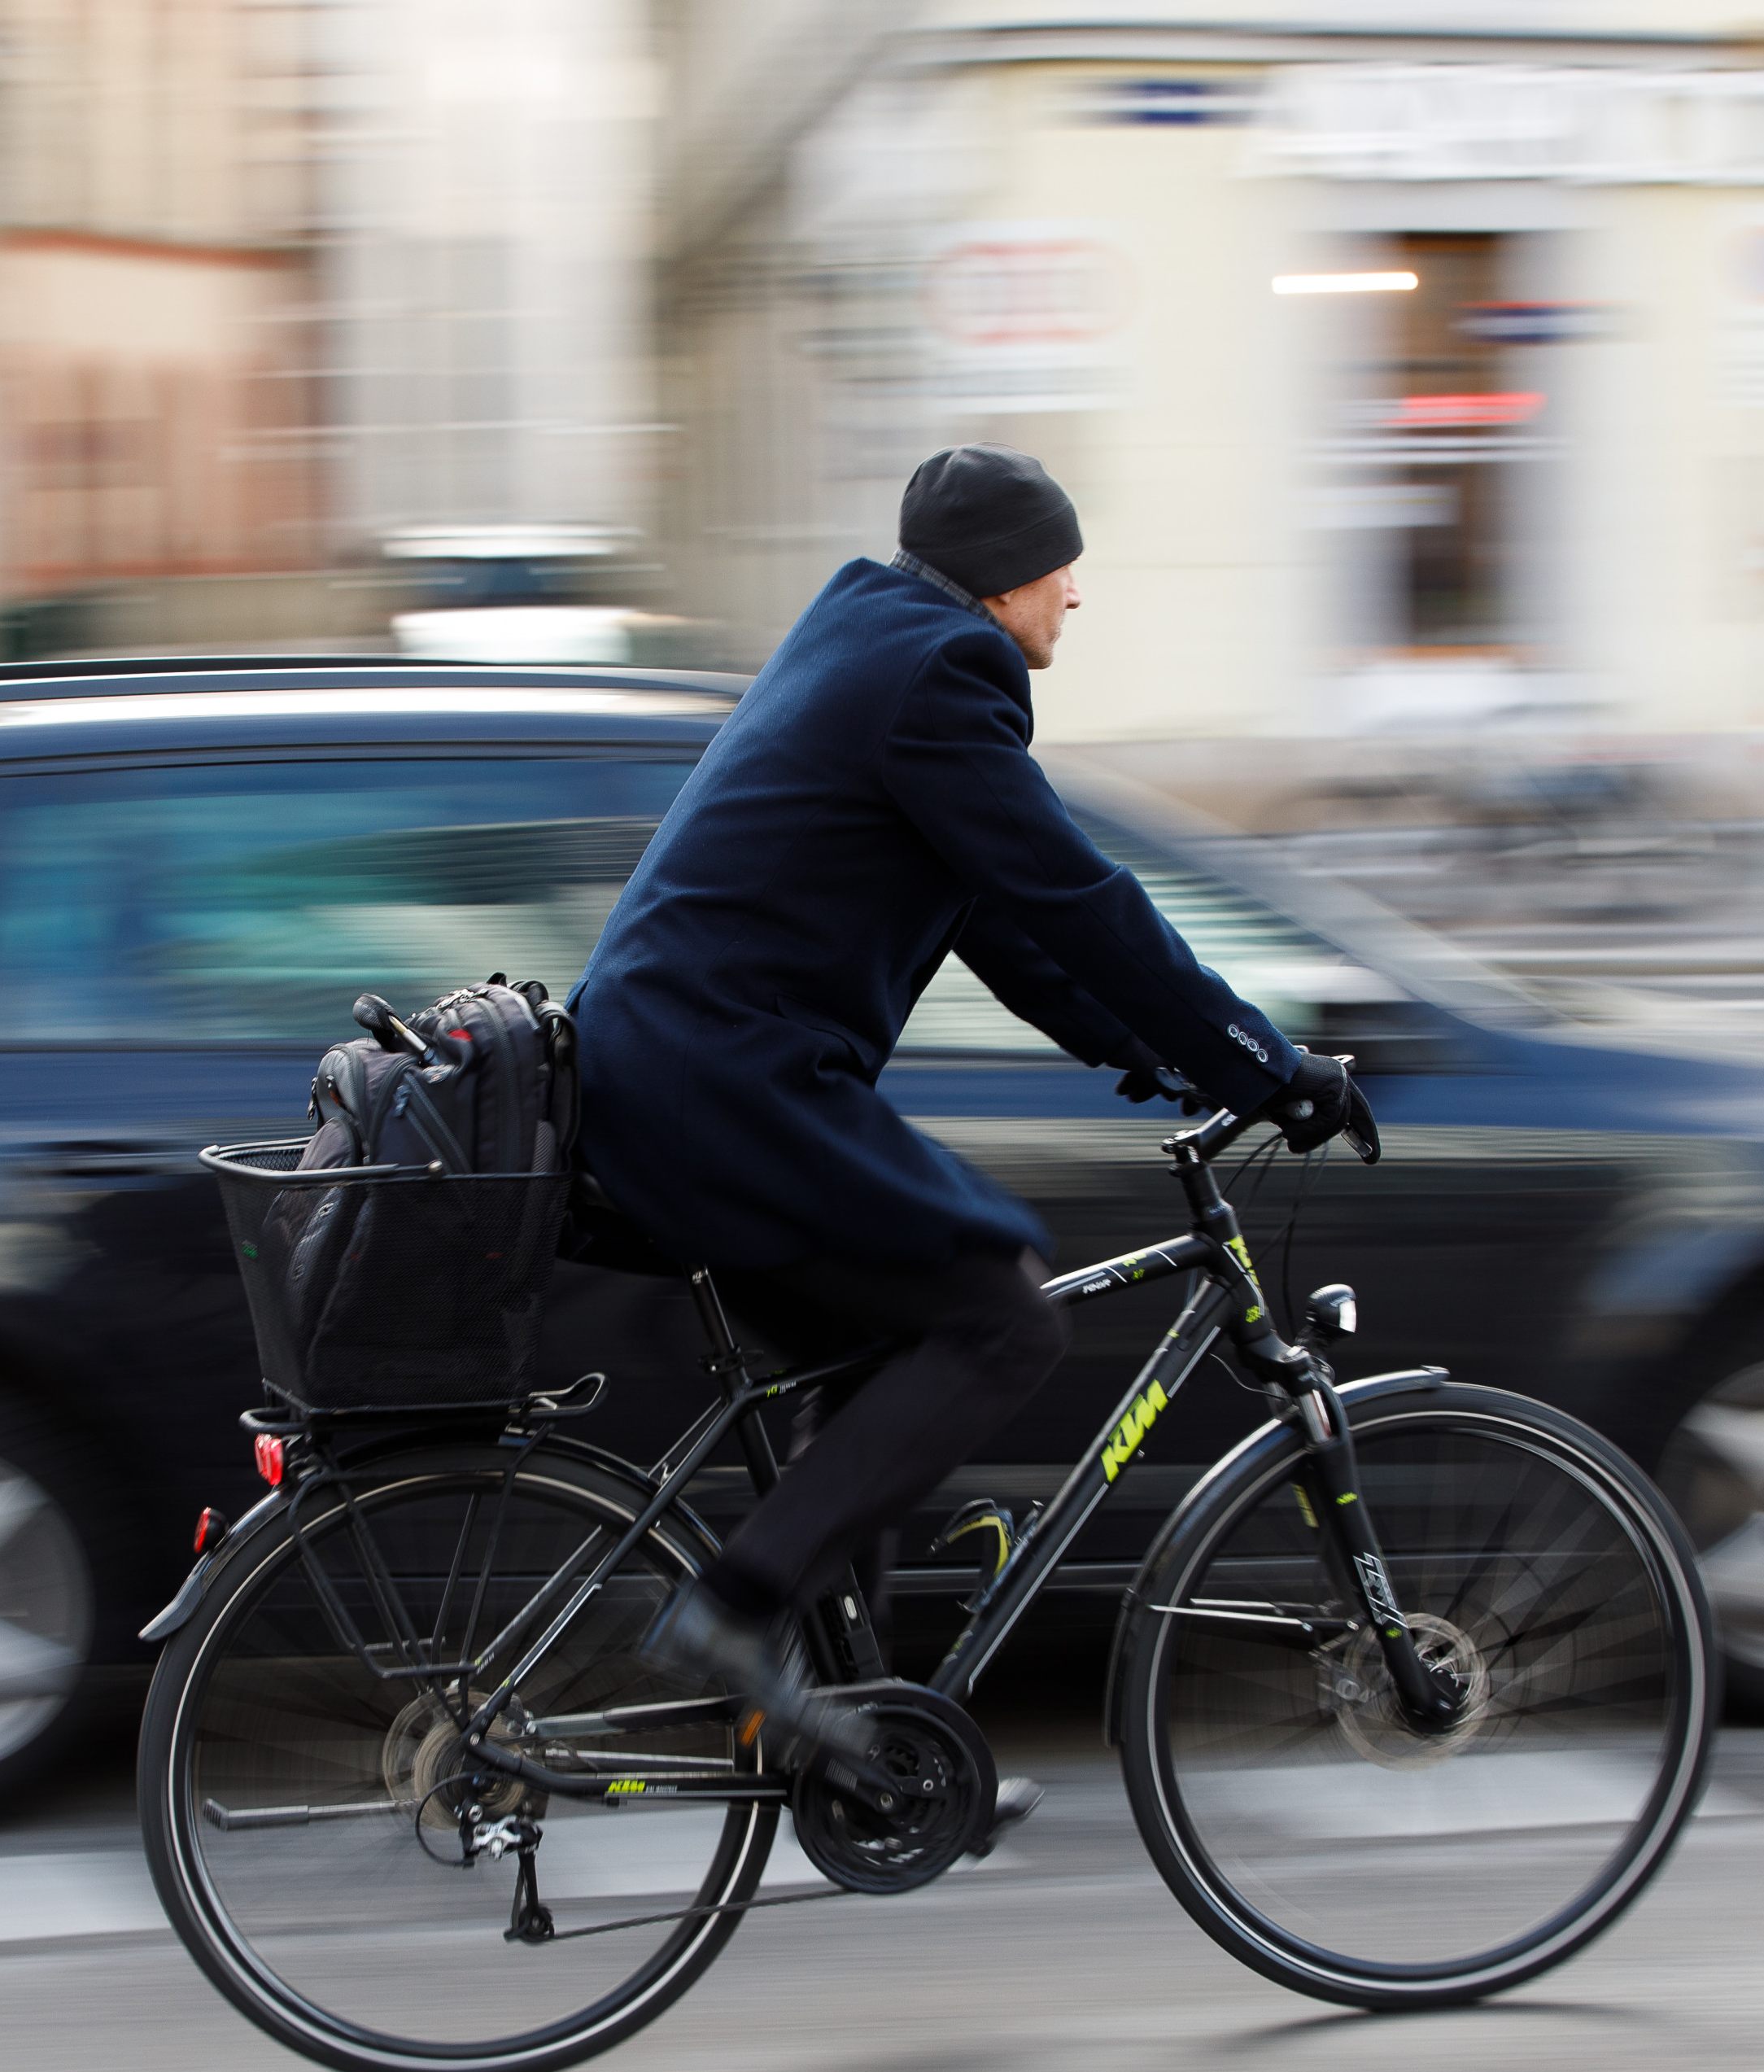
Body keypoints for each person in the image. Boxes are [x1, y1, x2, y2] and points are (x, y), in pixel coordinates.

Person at [570, 444, 1360, 1784]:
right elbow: (1080, 898)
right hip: (726, 1083)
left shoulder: (873, 645)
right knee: (1005, 1319)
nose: (1075, 595)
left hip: (679, 1073)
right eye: (1063, 567)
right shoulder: (942, 674)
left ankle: (847, 1735)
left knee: (881, 1352)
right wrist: (1264, 1066)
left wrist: (1146, 1056)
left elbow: (1005, 927)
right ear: (1004, 578)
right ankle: (733, 1611)